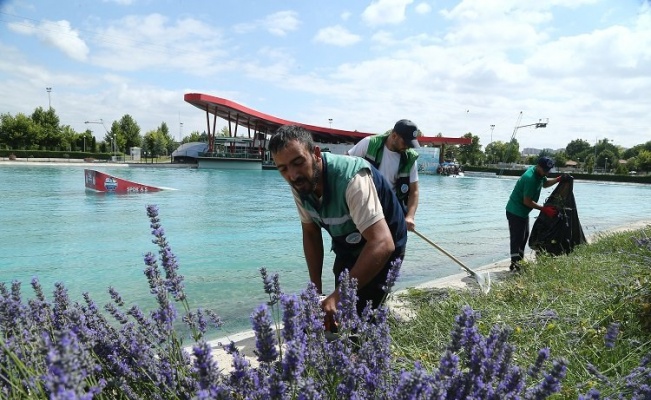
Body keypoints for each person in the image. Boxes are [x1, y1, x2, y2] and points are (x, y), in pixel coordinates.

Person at [269, 125, 407, 326]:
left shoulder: (352, 179)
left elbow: (382, 243)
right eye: (283, 169)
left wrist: (337, 296)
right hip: (348, 240)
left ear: (315, 153)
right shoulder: (300, 183)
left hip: (385, 240)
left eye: (298, 162)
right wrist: (315, 291)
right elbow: (311, 232)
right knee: (335, 314)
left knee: (361, 315)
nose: (293, 175)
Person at [347, 119, 420, 231]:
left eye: (410, 144)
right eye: (405, 142)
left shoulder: (410, 159)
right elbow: (345, 166)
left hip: (390, 209)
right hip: (363, 205)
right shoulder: (368, 143)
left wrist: (410, 217)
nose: (407, 147)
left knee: (392, 246)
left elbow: (414, 191)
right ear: (394, 135)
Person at [505, 156, 565, 271]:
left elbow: (545, 184)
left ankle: (519, 261)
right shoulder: (530, 178)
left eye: (548, 170)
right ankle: (514, 264)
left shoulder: (539, 174)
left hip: (522, 212)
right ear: (538, 166)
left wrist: (558, 179)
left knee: (524, 236)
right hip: (515, 211)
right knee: (517, 238)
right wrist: (544, 209)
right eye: (545, 170)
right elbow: (526, 201)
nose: (546, 173)